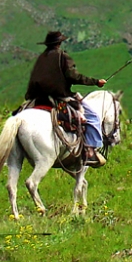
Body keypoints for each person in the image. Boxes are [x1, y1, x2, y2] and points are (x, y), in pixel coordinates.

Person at [25, 30, 108, 168]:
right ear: (59, 43)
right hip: (60, 96)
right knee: (93, 117)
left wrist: (29, 97)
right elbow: (73, 76)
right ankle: (90, 152)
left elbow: (33, 79)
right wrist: (95, 82)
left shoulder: (41, 58)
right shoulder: (63, 57)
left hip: (38, 98)